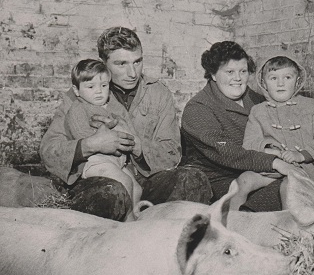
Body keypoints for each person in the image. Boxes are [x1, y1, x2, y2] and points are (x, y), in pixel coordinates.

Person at [40, 27, 212, 221]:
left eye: (137, 62)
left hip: (144, 179)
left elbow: (171, 152)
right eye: (121, 64)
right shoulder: (83, 94)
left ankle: (171, 246)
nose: (132, 73)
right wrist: (91, 145)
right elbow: (49, 150)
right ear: (103, 63)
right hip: (101, 179)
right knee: (113, 191)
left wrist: (136, 144)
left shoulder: (157, 93)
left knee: (192, 180)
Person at [181, 41, 302, 212]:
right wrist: (274, 162)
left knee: (301, 186)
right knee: (286, 194)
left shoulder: (258, 101)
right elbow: (228, 152)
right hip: (220, 179)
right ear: (213, 74)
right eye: (230, 72)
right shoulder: (198, 109)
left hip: (261, 171)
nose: (237, 78)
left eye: (243, 71)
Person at [234, 55, 314, 208]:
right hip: (272, 168)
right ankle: (234, 224)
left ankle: (290, 229)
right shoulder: (258, 111)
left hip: (305, 168)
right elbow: (249, 144)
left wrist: (300, 155)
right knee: (243, 181)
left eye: (287, 77)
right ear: (264, 83)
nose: (280, 83)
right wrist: (272, 151)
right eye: (273, 78)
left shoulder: (311, 106)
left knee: (289, 186)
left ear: (297, 81)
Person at [65, 59, 142, 220]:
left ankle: (135, 215)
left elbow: (129, 130)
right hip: (96, 162)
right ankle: (127, 221)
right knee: (124, 183)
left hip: (118, 161)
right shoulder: (78, 108)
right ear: (77, 90)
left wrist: (125, 131)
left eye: (104, 86)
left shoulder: (115, 107)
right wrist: (104, 133)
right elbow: (81, 134)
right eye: (91, 87)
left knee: (137, 188)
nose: (99, 91)